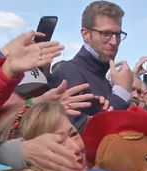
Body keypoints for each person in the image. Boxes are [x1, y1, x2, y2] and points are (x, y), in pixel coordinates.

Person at [50, 0, 133, 131]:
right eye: (106, 34)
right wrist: (121, 93)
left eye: (117, 34)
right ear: (86, 35)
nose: (114, 41)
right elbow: (80, 133)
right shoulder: (69, 71)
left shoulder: (101, 77)